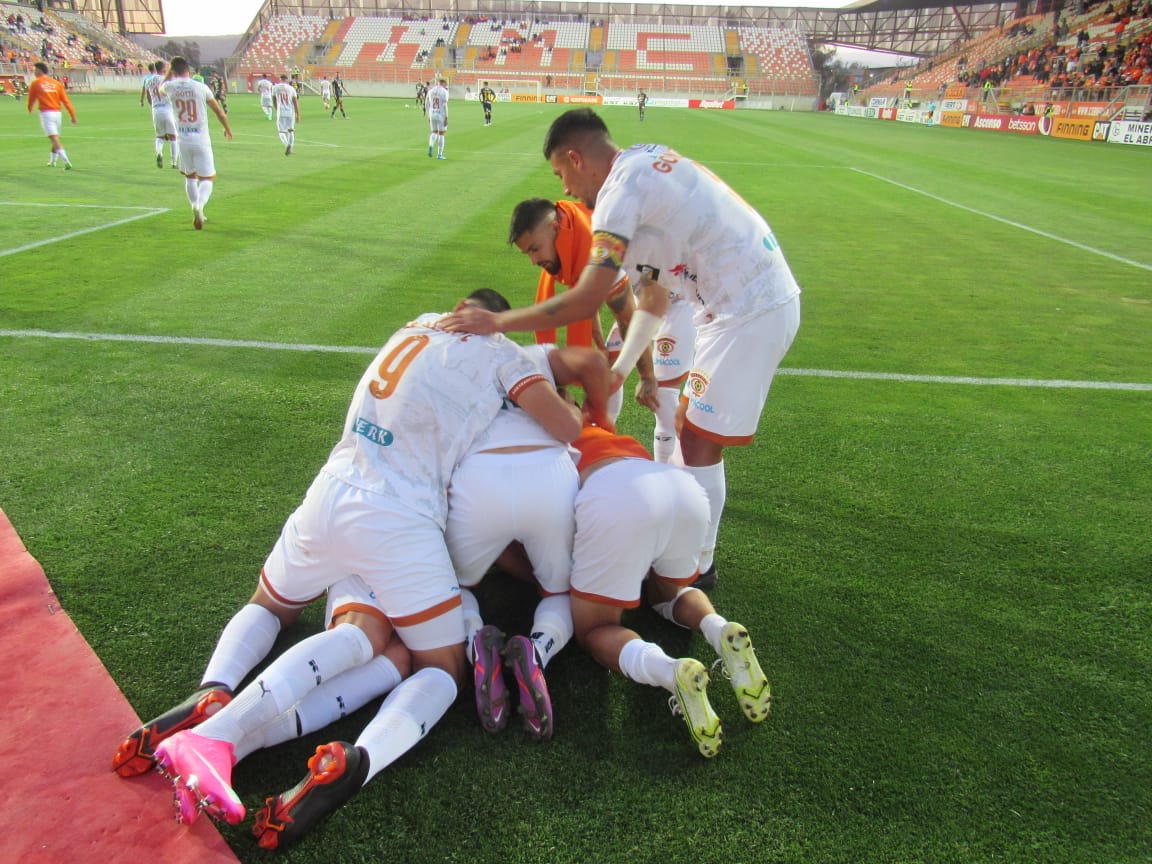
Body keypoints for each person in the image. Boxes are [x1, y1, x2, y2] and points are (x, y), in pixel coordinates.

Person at [137, 291, 582, 848]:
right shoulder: (503, 357)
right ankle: (340, 757)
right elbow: (565, 425)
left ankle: (216, 692)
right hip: (398, 515)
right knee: (440, 664)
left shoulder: (418, 323)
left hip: (332, 488)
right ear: (494, 322)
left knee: (273, 604)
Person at [442, 108, 802, 592]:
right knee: (685, 427)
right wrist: (626, 369)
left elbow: (589, 298)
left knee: (697, 442)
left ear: (575, 158)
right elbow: (650, 295)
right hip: (730, 308)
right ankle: (690, 551)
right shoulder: (645, 165)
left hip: (748, 309)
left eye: (560, 175)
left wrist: (497, 320)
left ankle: (698, 565)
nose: (566, 190)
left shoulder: (617, 194)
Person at [566, 418, 772, 757]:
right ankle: (717, 627)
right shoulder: (611, 434)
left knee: (595, 628)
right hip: (681, 489)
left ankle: (669, 671)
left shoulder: (548, 440)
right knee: (668, 593)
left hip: (618, 497)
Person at [448, 341, 613, 740]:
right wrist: (588, 411)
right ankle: (537, 649)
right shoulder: (534, 355)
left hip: (478, 477)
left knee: (454, 586)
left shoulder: (449, 362)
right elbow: (593, 360)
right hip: (548, 473)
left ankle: (475, 645)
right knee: (560, 592)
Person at [507, 197, 657, 422]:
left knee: (663, 393)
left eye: (535, 249)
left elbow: (629, 320)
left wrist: (647, 377)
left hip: (669, 294)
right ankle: (604, 426)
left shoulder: (599, 252)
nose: (533, 260)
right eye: (528, 253)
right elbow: (587, 293)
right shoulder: (572, 237)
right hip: (641, 283)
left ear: (554, 228)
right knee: (608, 368)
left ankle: (612, 430)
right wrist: (597, 340)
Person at [161, 55, 232, 230]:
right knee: (207, 178)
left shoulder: (170, 87)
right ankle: (199, 205)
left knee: (190, 177)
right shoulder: (201, 87)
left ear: (173, 71)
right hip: (201, 139)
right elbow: (219, 112)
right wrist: (227, 128)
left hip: (183, 140)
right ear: (189, 70)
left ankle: (194, 205)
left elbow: (162, 87)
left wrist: (169, 73)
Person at [26, 61, 76, 169]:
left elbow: (31, 98)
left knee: (54, 139)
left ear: (39, 70)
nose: (34, 72)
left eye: (34, 70)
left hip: (46, 113)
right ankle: (52, 161)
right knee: (55, 137)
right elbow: (66, 101)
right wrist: (72, 115)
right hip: (57, 114)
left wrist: (30, 108)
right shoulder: (56, 83)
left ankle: (66, 161)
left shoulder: (36, 83)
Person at [143, 58, 178, 169]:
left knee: (159, 136)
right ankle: (174, 162)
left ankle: (159, 153)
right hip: (167, 109)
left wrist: (152, 104)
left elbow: (148, 96)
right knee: (173, 137)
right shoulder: (166, 80)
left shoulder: (149, 80)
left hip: (156, 109)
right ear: (163, 69)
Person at [271, 73, 299, 155]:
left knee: (281, 132)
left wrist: (277, 109)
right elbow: (295, 102)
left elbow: (274, 100)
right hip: (290, 112)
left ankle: (287, 145)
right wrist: (298, 114)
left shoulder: (275, 88)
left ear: (280, 79)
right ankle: (291, 147)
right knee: (291, 131)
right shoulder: (291, 89)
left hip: (281, 111)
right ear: (287, 80)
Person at [425, 77, 448, 159]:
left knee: (434, 132)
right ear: (443, 83)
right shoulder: (444, 92)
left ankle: (431, 145)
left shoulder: (430, 91)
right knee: (441, 134)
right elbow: (445, 105)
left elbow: (426, 103)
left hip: (432, 114)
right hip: (441, 114)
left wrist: (428, 114)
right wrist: (446, 117)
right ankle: (439, 154)